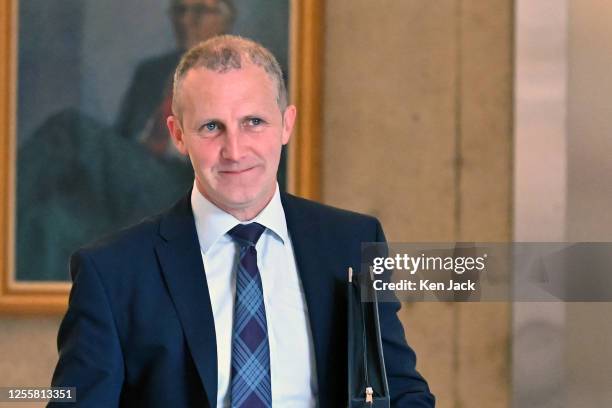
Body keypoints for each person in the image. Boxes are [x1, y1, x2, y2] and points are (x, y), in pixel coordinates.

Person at [49, 35, 434, 407]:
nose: (234, 151)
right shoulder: (112, 272)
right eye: (211, 127)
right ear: (178, 135)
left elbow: (400, 392)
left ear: (286, 124)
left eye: (253, 122)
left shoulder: (354, 243)